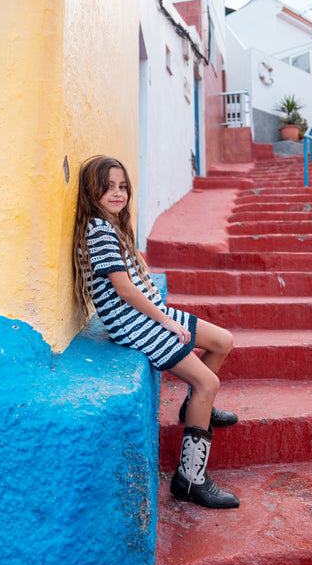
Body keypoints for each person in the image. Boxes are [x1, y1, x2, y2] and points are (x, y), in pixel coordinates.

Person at [72, 155, 239, 509]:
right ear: (91, 191)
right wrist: (166, 322)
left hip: (150, 315)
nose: (117, 193)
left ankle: (192, 408)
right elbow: (124, 290)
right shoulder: (99, 230)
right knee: (208, 383)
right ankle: (190, 479)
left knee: (222, 341)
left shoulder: (112, 225)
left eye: (122, 186)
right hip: (135, 323)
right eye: (108, 187)